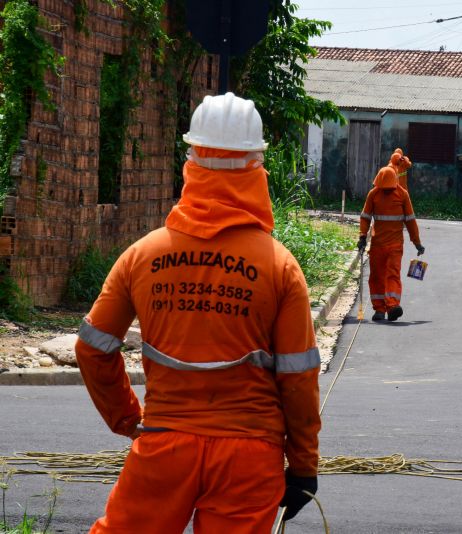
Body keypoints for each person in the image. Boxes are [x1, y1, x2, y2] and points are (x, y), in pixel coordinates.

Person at [75, 92, 321, 533]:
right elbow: (298, 378)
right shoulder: (280, 267)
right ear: (256, 166)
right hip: (250, 458)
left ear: (190, 162)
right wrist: (303, 465)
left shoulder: (142, 255)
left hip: (164, 446)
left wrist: (129, 419)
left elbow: (92, 348)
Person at [358, 165, 424, 322]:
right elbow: (365, 217)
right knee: (377, 276)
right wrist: (362, 236)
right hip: (377, 246)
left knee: (392, 275)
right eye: (384, 189)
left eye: (389, 189)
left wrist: (417, 242)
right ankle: (379, 309)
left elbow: (410, 220)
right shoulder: (374, 194)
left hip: (394, 246)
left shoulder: (402, 194)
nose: (387, 191)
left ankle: (392, 306)